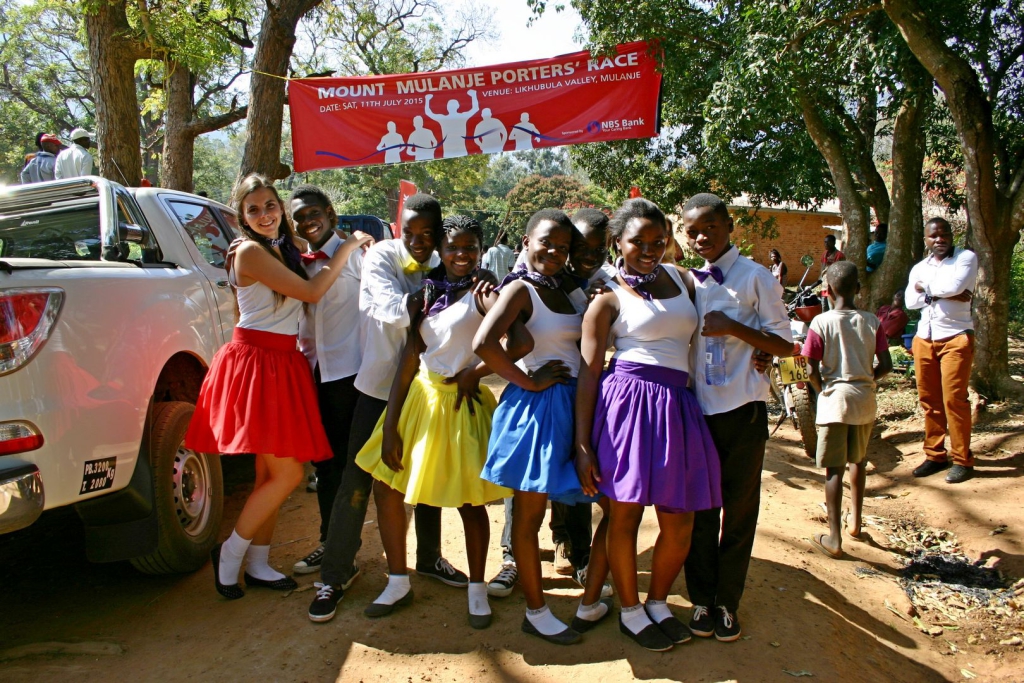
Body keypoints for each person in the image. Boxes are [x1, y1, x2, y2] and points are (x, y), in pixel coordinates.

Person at [185, 174, 371, 600]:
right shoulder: (250, 250)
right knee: (289, 472)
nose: (265, 214)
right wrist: (345, 248)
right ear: (242, 217)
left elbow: (302, 270)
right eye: (254, 209)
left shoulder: (280, 248)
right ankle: (230, 554)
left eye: (271, 205)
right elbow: (310, 290)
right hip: (258, 362)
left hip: (282, 361)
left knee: (269, 472)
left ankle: (259, 561)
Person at [307, 193, 470, 623]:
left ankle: (430, 558)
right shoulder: (381, 256)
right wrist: (437, 293)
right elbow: (387, 309)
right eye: (410, 231)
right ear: (398, 227)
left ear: (439, 234)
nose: (418, 241)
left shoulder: (448, 263)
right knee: (356, 480)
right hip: (379, 387)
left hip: (428, 390)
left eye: (428, 234)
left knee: (427, 475)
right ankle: (335, 574)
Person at [575, 198, 722, 651]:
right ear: (617, 242)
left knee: (680, 518)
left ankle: (658, 601)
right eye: (637, 241)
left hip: (678, 407)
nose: (649, 249)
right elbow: (589, 371)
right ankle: (631, 610)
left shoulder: (682, 279)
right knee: (625, 514)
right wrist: (583, 445)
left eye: (658, 241)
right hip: (629, 406)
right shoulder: (605, 296)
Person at [354, 215, 510, 627]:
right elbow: (410, 357)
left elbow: (519, 341)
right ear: (441, 249)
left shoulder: (485, 292)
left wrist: (474, 374)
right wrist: (389, 426)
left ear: (481, 251)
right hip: (421, 400)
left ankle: (478, 589)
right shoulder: (425, 292)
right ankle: (397, 581)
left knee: (469, 500)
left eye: (471, 248)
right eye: (454, 247)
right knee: (386, 486)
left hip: (461, 406)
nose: (462, 255)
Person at [681, 193, 794, 642]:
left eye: (710, 226)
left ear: (730, 226)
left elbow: (784, 346)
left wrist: (735, 329)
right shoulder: (686, 283)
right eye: (693, 230)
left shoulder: (756, 278)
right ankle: (701, 601)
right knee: (700, 509)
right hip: (696, 410)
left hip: (743, 410)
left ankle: (728, 601)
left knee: (739, 508)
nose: (702, 236)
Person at [487, 208, 615, 598]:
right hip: (540, 399)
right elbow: (496, 338)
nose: (585, 256)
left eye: (597, 249)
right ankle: (513, 561)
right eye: (578, 247)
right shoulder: (528, 283)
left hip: (580, 395)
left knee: (576, 478)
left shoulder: (589, 286)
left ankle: (578, 556)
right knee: (527, 487)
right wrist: (527, 377)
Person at [475, 209, 588, 645]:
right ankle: (536, 611)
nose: (554, 252)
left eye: (563, 246)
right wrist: (528, 380)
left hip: (571, 406)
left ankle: (562, 595)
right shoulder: (520, 288)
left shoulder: (564, 290)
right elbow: (483, 343)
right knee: (529, 515)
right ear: (526, 241)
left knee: (571, 503)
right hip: (537, 410)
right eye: (546, 242)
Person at [288, 185, 367, 577]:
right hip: (311, 373)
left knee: (349, 464)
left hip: (348, 373)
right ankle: (328, 541)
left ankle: (343, 549)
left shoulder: (356, 255)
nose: (307, 221)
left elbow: (374, 312)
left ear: (330, 213)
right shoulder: (296, 262)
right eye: (299, 216)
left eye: (313, 212)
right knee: (323, 465)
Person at [802, 261, 892, 559]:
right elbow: (886, 365)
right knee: (859, 461)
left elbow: (810, 367)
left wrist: (820, 390)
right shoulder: (871, 322)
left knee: (833, 471)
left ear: (826, 290)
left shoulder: (821, 323)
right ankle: (856, 524)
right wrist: (866, 380)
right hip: (864, 401)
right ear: (858, 289)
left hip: (834, 401)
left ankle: (835, 538)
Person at [905, 217, 977, 484]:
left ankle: (962, 460)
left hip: (956, 337)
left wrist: (929, 289)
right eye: (933, 236)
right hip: (924, 338)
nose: (939, 239)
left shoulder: (965, 259)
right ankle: (935, 455)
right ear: (926, 240)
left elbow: (956, 287)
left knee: (954, 401)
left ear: (950, 235)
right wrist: (940, 293)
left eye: (943, 234)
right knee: (929, 400)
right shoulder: (920, 267)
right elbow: (910, 301)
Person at [424, 90, 479, 158]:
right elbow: (475, 109)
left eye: (452, 105)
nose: (451, 106)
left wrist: (427, 99)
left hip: (457, 151)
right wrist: (473, 95)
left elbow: (428, 113)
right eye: (450, 105)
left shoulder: (447, 118)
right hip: (451, 152)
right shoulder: (460, 117)